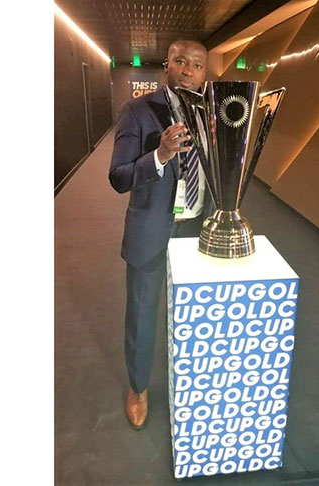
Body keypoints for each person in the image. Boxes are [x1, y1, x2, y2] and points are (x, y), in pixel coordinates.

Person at [109, 39, 212, 429]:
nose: (188, 70)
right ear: (166, 64)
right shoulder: (137, 111)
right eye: (181, 62)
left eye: (197, 66)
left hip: (197, 231)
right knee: (142, 314)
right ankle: (138, 387)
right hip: (151, 231)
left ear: (205, 73)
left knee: (193, 315)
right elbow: (118, 177)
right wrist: (161, 156)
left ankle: (188, 382)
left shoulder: (211, 114)